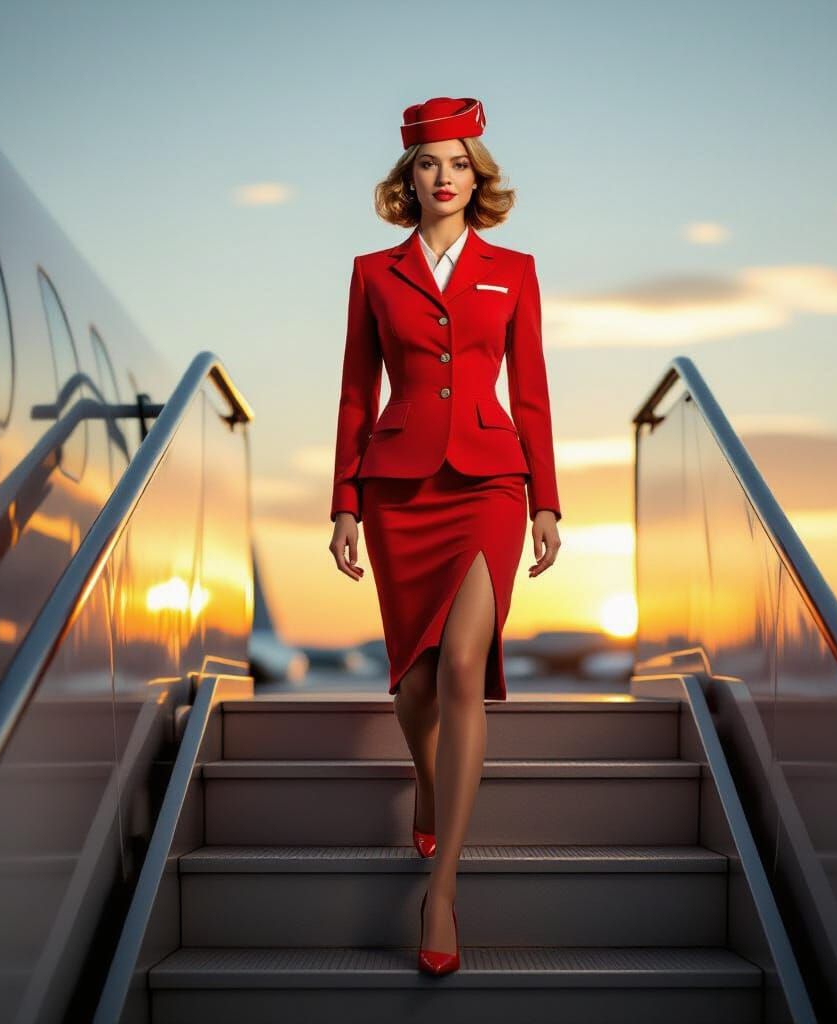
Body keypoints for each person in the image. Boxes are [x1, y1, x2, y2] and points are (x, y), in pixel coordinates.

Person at [328, 95, 562, 976]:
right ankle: (427, 779)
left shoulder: (516, 270)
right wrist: (344, 503)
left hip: (492, 483)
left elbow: (532, 389)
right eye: (430, 163)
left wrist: (545, 498)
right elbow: (356, 392)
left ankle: (444, 889)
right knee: (413, 688)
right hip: (397, 489)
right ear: (408, 177)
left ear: (479, 176)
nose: (445, 177)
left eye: (460, 163)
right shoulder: (372, 273)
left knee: (464, 666)